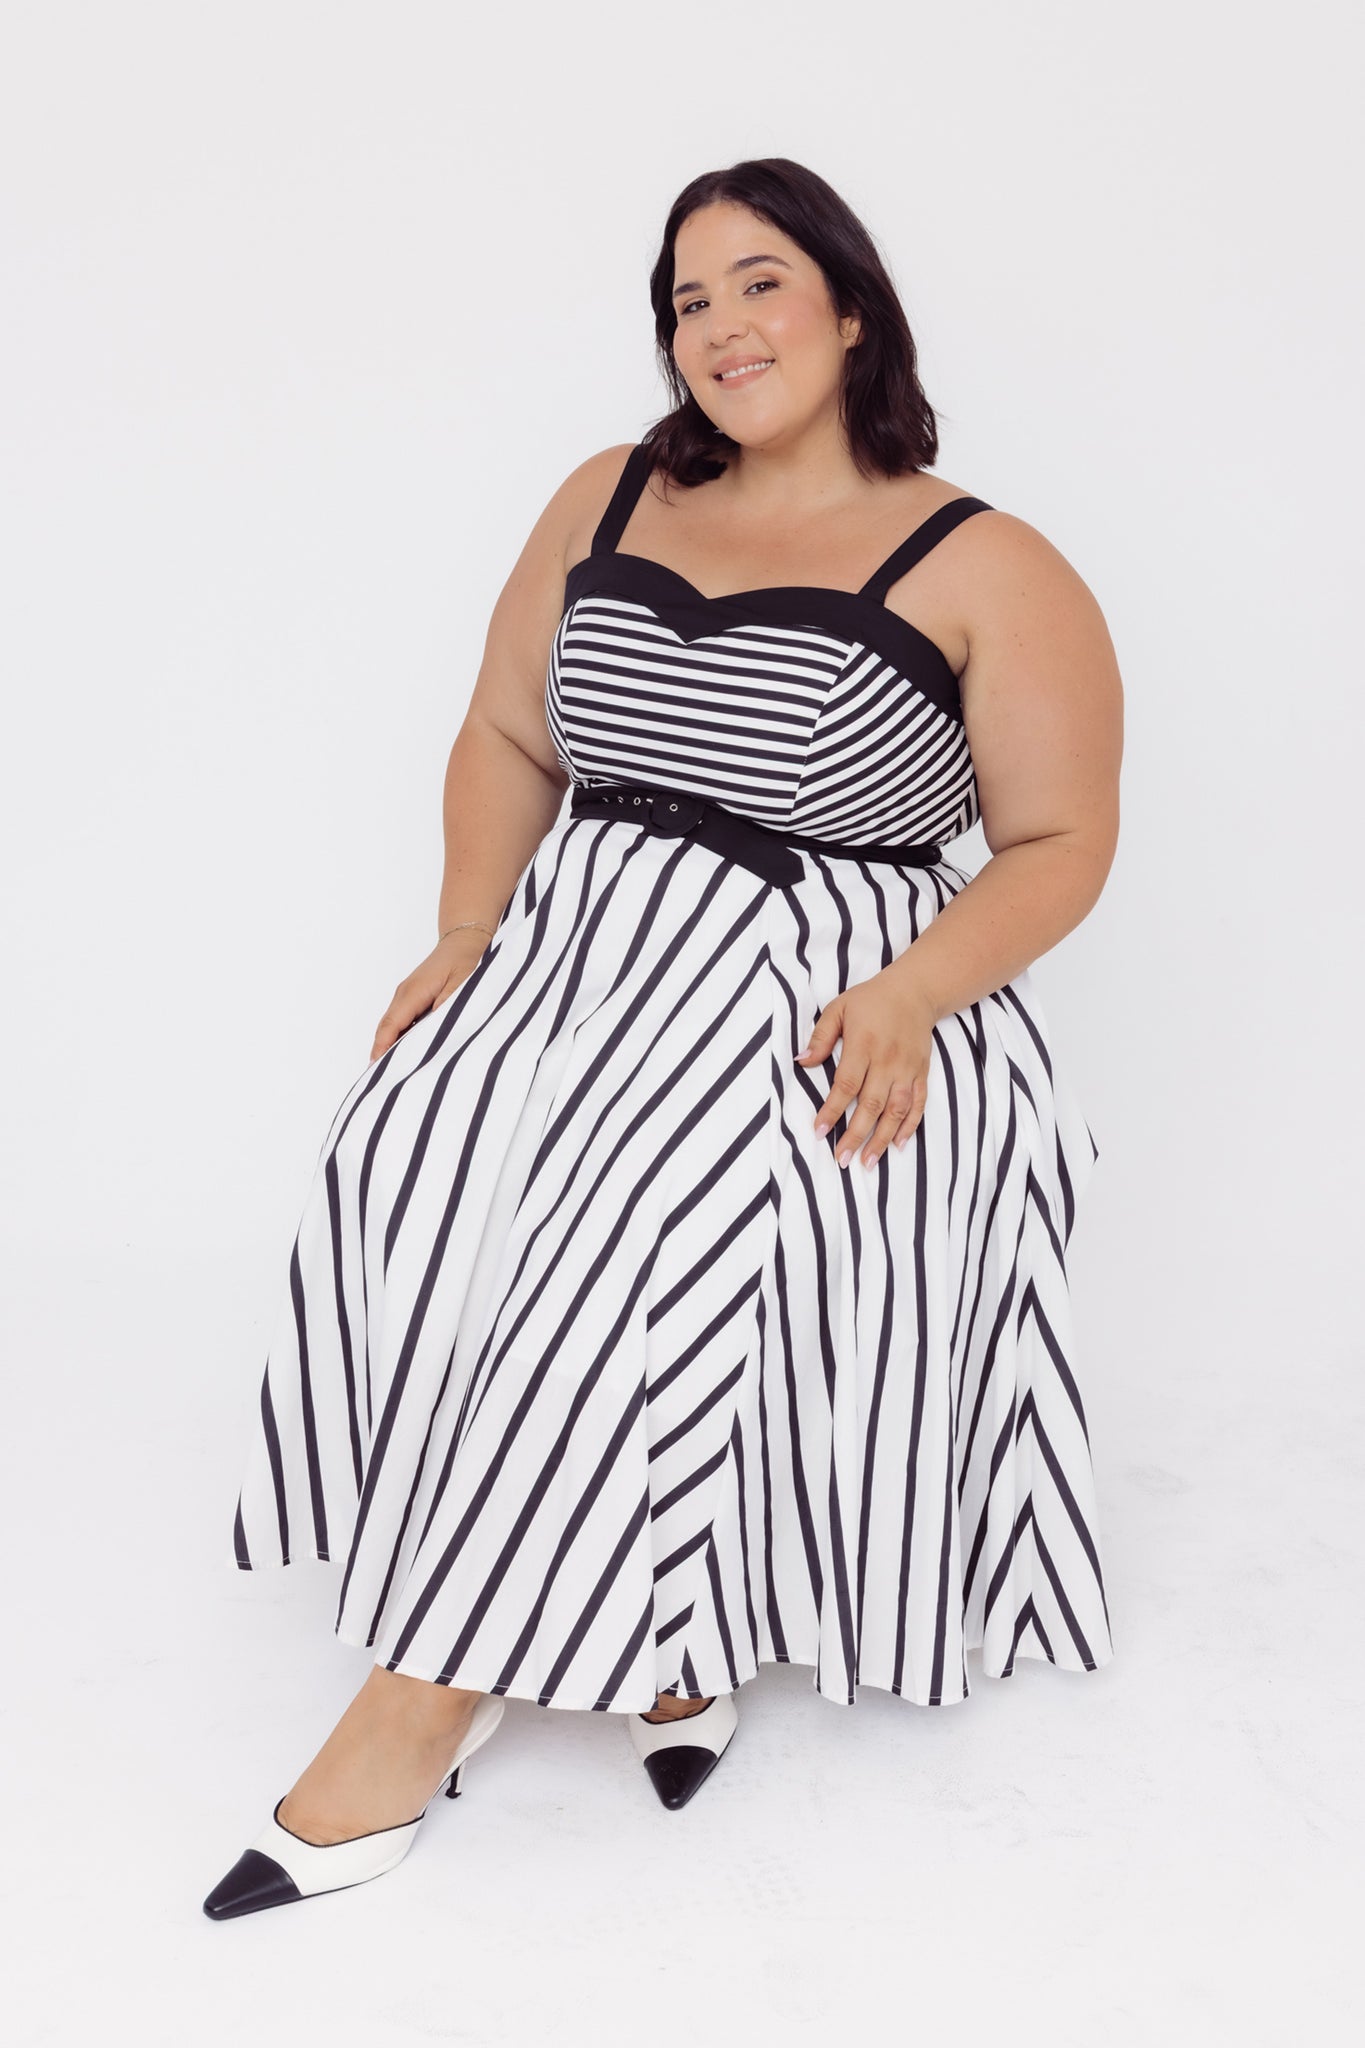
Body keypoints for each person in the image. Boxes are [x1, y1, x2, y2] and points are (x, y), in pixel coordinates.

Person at [204, 155, 1124, 1921]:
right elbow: (506, 732)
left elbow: (1061, 842)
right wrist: (465, 931)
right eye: (687, 300)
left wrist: (912, 994)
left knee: (641, 1208)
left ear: (850, 311)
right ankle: (655, 1629)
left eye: (758, 282)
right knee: (411, 1144)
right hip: (580, 957)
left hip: (836, 993)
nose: (719, 327)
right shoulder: (606, 492)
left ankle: (416, 1703)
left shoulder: (990, 564)